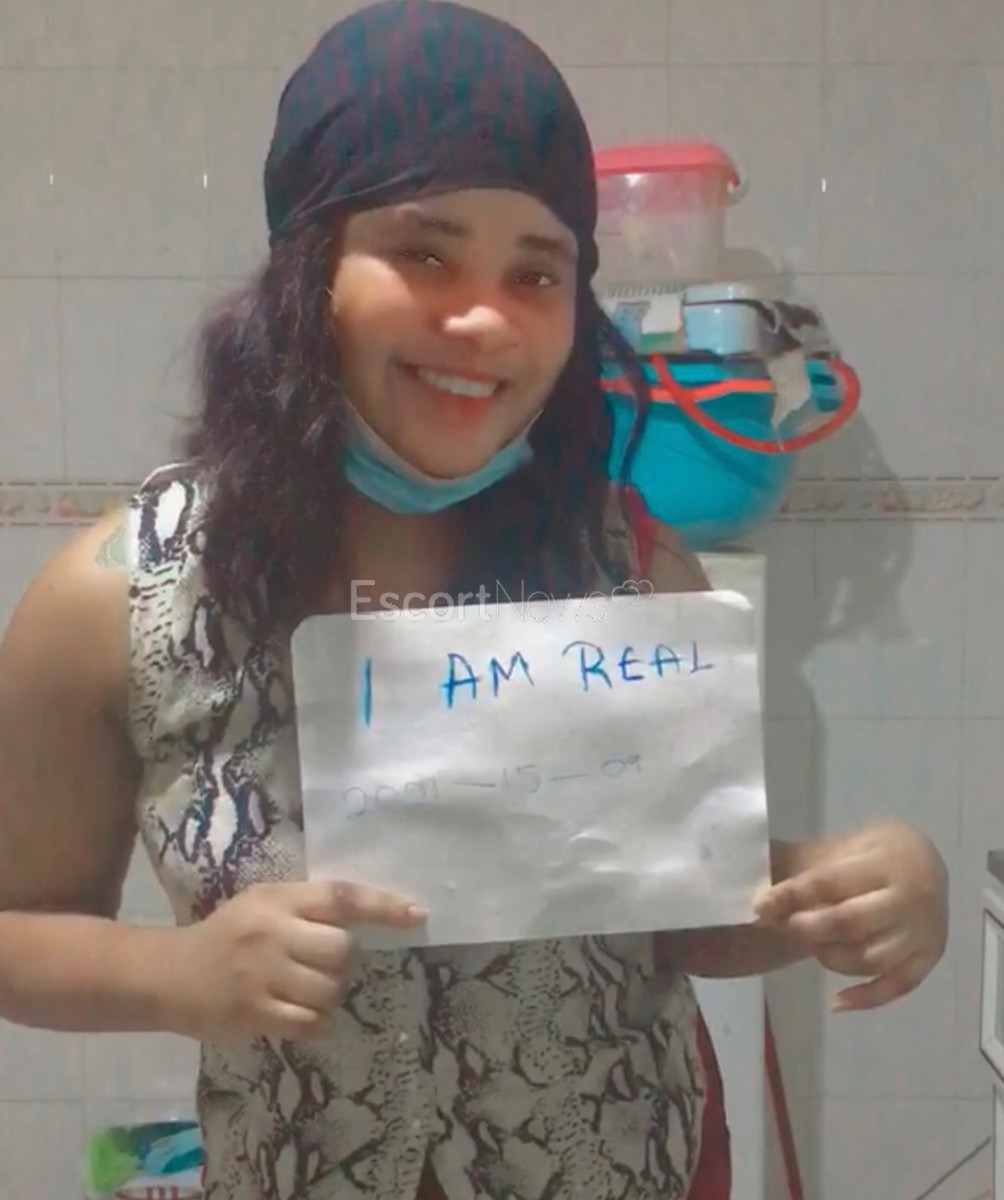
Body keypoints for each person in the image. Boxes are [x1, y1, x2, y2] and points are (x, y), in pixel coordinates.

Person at [0, 3, 947, 1199]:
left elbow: (693, 915)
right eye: (423, 253)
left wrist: (852, 883)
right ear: (306, 270)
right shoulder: (118, 602)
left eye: (535, 271)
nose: (484, 317)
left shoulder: (630, 573)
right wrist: (173, 978)